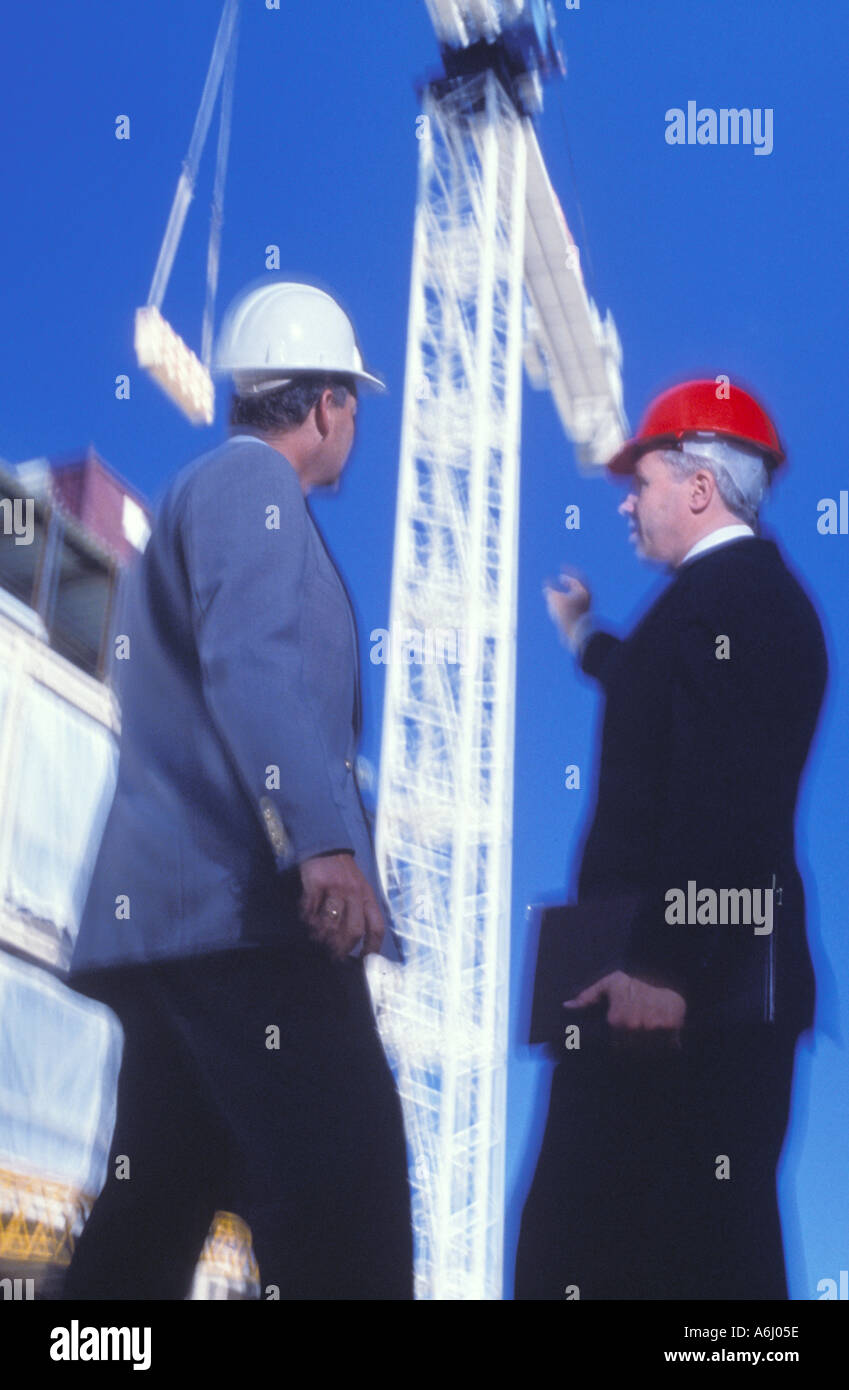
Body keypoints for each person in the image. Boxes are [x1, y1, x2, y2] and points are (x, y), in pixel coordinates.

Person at [61, 279, 413, 1301]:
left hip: (179, 934)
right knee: (352, 1201)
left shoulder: (206, 495)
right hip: (243, 925)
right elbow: (253, 664)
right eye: (352, 403)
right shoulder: (253, 489)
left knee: (148, 1222)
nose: (353, 425)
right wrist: (324, 842)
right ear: (322, 404)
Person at [515, 379, 828, 1301]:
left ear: (696, 487)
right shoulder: (715, 604)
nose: (625, 501)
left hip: (681, 994)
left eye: (640, 480)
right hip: (655, 988)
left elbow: (729, 794)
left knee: (677, 1259)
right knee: (653, 1257)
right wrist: (584, 642)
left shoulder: (745, 603)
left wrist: (663, 964)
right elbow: (657, 692)